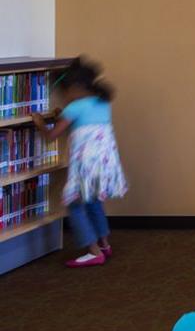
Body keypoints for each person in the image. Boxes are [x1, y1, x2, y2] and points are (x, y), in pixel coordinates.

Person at [32, 56, 127, 268]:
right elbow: (82, 123)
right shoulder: (102, 103)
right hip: (105, 164)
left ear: (75, 88)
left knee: (74, 205)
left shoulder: (73, 109)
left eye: (64, 92)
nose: (63, 97)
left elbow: (51, 136)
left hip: (85, 166)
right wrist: (62, 115)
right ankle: (104, 243)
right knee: (94, 202)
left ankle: (93, 252)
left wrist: (40, 123)